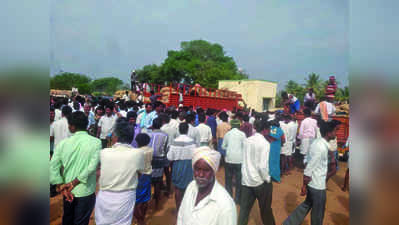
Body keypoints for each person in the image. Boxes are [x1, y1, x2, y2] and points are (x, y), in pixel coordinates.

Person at [283, 120, 341, 225]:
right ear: (328, 133)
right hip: (317, 186)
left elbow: (307, 161)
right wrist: (304, 185)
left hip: (313, 184)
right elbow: (309, 168)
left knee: (307, 205)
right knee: (318, 214)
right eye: (334, 131)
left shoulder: (317, 142)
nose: (335, 134)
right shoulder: (321, 147)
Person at [50, 111, 101, 225]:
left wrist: (61, 186)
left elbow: (53, 166)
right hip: (85, 191)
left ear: (72, 126)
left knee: (67, 219)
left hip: (68, 192)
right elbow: (92, 167)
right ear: (86, 125)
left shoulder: (63, 144)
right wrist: (74, 182)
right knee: (81, 221)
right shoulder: (96, 143)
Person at [95, 117, 145, 225]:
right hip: (125, 196)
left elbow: (99, 172)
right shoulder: (138, 153)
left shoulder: (104, 152)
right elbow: (140, 173)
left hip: (105, 195)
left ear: (116, 137)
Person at [177, 146, 237, 225]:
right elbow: (181, 216)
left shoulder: (225, 205)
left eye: (206, 170)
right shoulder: (191, 187)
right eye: (197, 169)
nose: (201, 175)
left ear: (213, 171)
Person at [238, 120, 275, 225]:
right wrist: (267, 179)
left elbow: (244, 158)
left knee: (244, 210)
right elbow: (262, 166)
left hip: (246, 180)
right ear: (265, 130)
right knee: (265, 210)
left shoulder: (247, 140)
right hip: (260, 182)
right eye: (269, 129)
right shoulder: (265, 143)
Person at [167, 123, 197, 212]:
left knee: (177, 189)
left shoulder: (174, 141)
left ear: (179, 130)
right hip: (189, 166)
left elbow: (169, 157)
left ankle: (178, 209)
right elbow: (195, 155)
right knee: (189, 188)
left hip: (178, 166)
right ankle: (187, 209)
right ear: (187, 130)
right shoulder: (192, 142)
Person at [222, 119, 246, 204]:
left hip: (229, 160)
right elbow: (245, 146)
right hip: (239, 160)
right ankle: (237, 199)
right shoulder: (242, 134)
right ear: (239, 126)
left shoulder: (227, 134)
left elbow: (223, 147)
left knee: (228, 180)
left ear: (231, 126)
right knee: (239, 180)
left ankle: (229, 198)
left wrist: (229, 148)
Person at [148, 118, 169, 209]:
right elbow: (166, 147)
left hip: (149, 158)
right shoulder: (165, 135)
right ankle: (157, 202)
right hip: (160, 158)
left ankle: (148, 200)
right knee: (158, 180)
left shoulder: (149, 134)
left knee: (149, 179)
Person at [133, 133, 153, 225]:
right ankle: (143, 216)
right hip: (148, 175)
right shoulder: (150, 150)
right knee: (145, 198)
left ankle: (140, 220)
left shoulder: (137, 152)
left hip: (139, 176)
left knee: (135, 201)